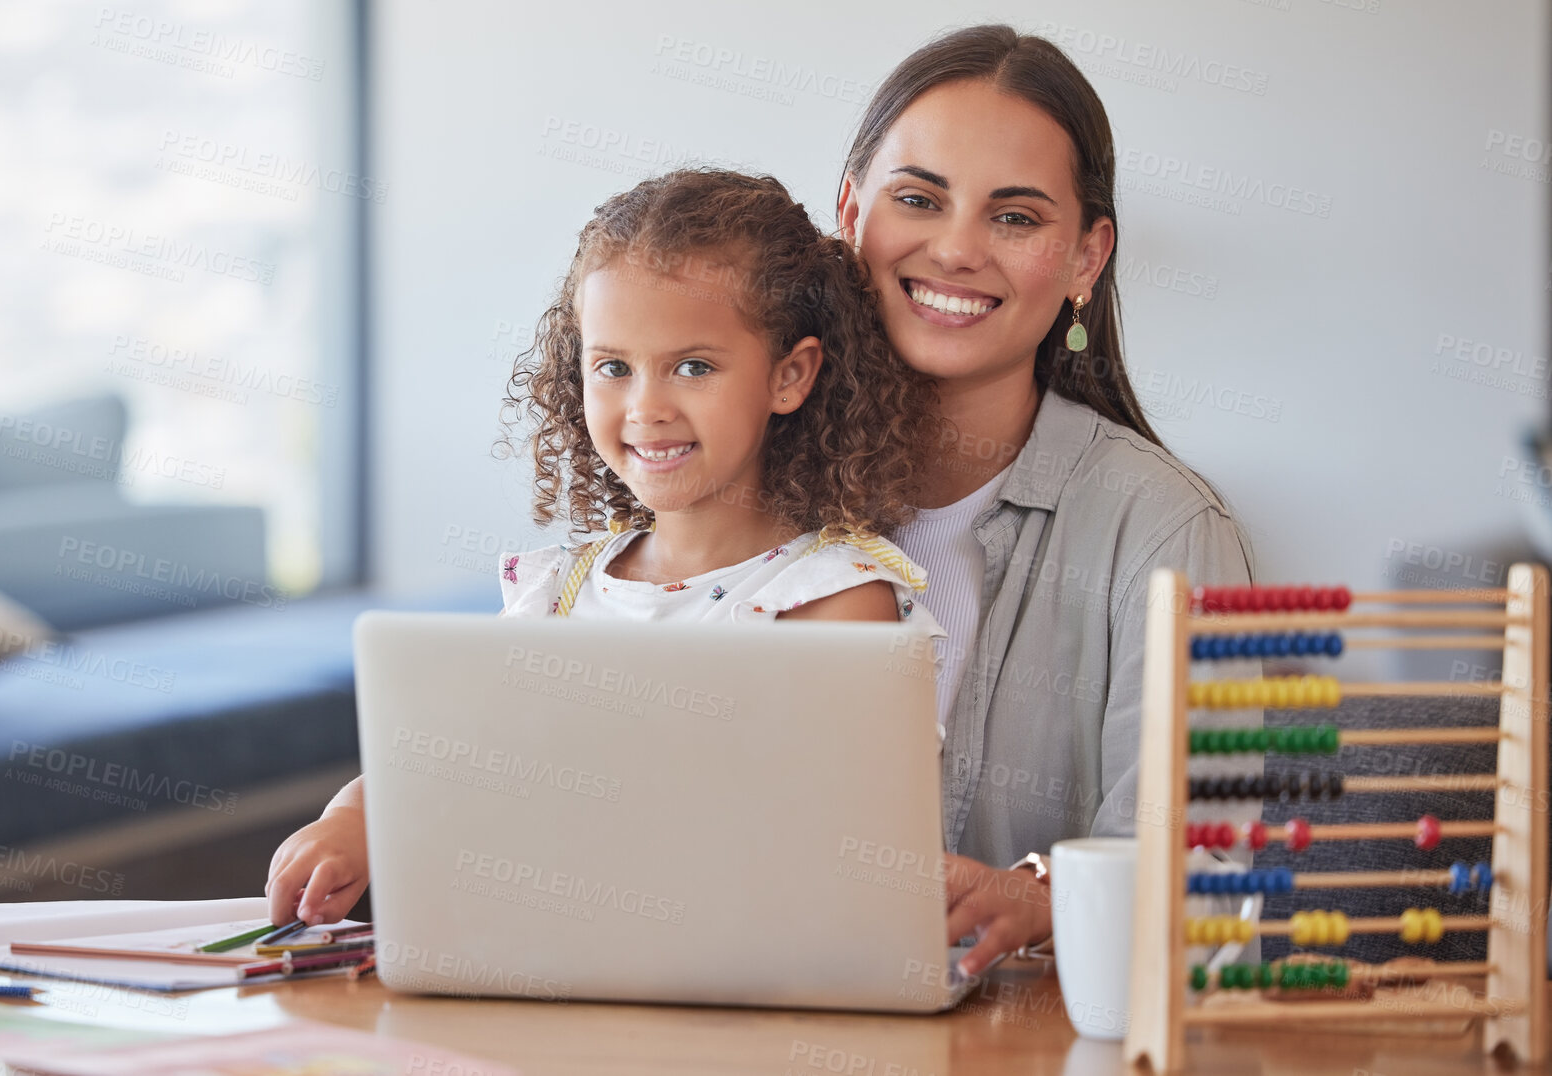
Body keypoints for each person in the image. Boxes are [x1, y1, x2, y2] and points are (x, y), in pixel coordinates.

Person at [266, 169, 947, 928]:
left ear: (788, 377)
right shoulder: (556, 590)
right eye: (612, 368)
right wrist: (353, 822)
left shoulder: (830, 597)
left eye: (693, 367)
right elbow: (447, 760)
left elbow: (830, 850)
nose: (645, 407)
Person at [833, 24, 1257, 975]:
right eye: (916, 199)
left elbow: (1210, 875)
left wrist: (1039, 894)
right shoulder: (743, 490)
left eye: (1014, 218)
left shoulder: (1169, 532)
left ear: (1084, 258)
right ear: (850, 212)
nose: (954, 249)